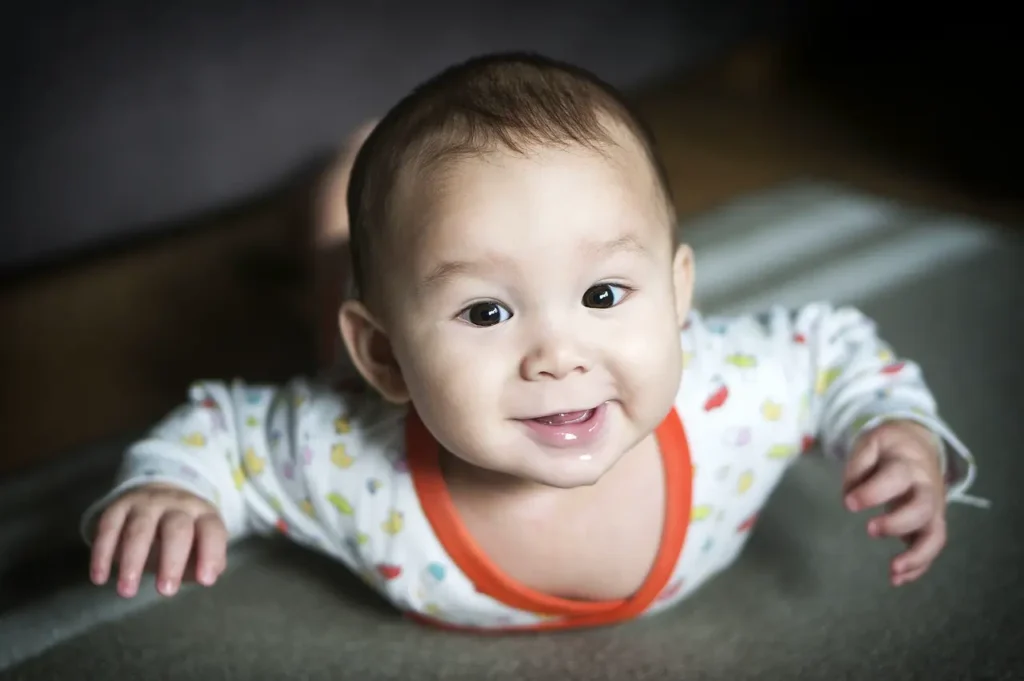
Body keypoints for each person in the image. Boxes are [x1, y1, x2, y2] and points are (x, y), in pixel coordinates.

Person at [80, 52, 983, 632]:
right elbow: (227, 431)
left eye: (601, 293)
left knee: (376, 247)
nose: (557, 354)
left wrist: (890, 422)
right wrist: (173, 486)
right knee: (337, 258)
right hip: (352, 344)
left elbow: (829, 350)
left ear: (677, 297)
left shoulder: (733, 399)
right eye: (486, 312)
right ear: (387, 356)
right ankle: (334, 205)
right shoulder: (341, 453)